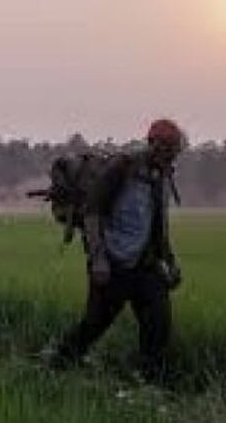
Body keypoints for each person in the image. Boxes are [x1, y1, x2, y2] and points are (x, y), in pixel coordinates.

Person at [49, 119, 185, 380]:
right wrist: (98, 259)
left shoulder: (161, 175)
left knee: (158, 325)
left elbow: (158, 224)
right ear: (152, 143)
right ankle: (58, 364)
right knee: (95, 324)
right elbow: (92, 212)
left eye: (175, 149)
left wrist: (170, 261)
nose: (171, 154)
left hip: (146, 265)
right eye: (167, 148)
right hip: (113, 263)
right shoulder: (122, 167)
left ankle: (151, 381)